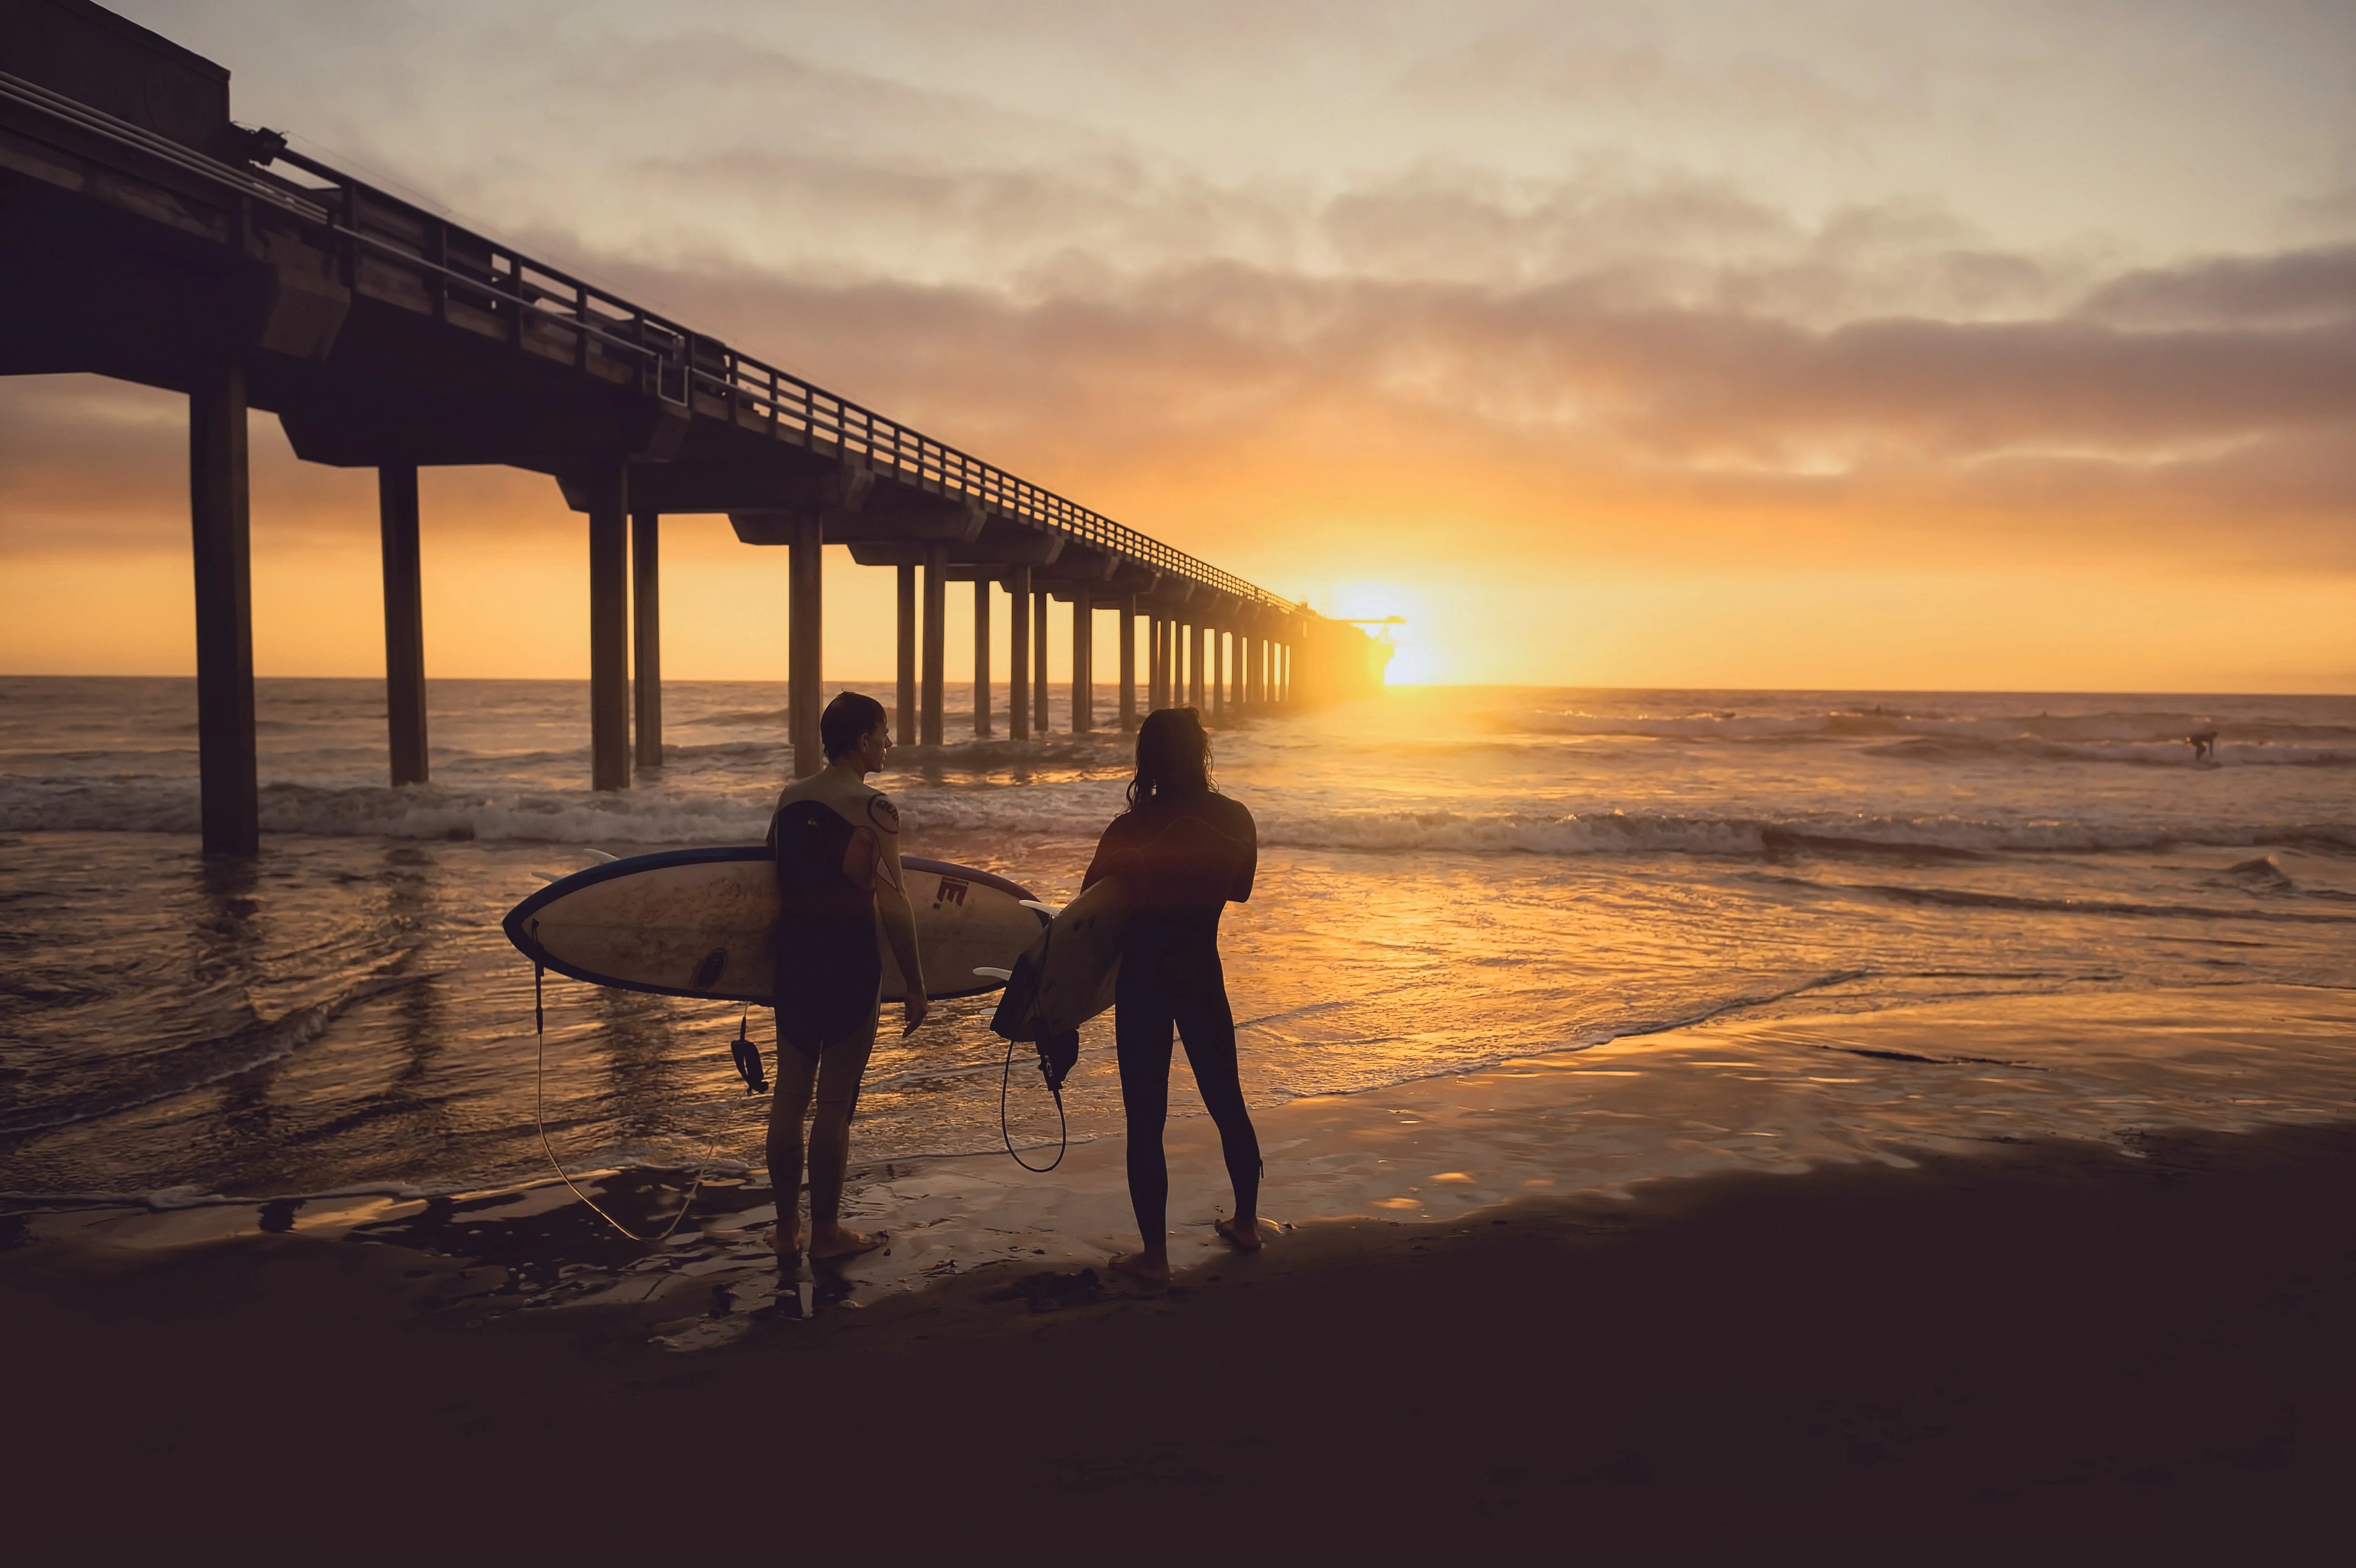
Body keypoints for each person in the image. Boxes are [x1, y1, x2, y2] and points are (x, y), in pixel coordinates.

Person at [1081, 706, 1261, 1285]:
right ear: (1201, 752)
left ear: (1147, 759)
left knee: (1145, 1120)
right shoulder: (1235, 819)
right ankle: (1248, 1223)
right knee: (1226, 1100)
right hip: (1200, 972)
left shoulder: (1129, 829)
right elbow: (1240, 892)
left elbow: (1086, 914)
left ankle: (1155, 1257)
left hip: (1144, 981)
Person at [766, 691, 928, 1261]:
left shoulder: (788, 799)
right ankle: (827, 1232)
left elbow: (769, 882)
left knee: (789, 1097)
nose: (889, 744)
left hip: (794, 963)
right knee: (834, 1104)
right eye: (883, 734)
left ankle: (786, 1232)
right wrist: (914, 982)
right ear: (861, 742)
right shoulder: (875, 807)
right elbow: (895, 902)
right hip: (848, 963)